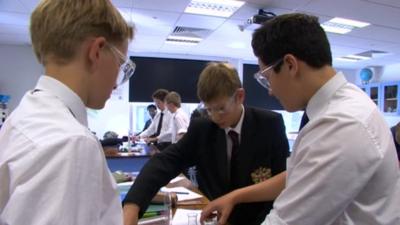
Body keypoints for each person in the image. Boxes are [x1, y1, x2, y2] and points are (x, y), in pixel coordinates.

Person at [201, 13, 400, 225]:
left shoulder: (341, 124)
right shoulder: (347, 99)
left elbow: (285, 221)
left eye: (267, 78)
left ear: (290, 65)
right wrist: (235, 196)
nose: (270, 91)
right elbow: (299, 176)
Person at [0, 0, 134, 224]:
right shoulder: (71, 143)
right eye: (120, 63)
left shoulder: (26, 114)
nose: (117, 83)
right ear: (96, 51)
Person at [123, 62, 290, 225]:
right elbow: (165, 161)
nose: (215, 117)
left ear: (239, 96)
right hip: (214, 217)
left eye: (221, 109)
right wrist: (132, 205)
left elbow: (284, 181)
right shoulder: (202, 128)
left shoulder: (269, 124)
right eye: (209, 109)